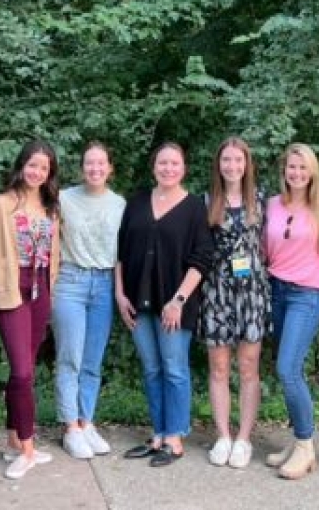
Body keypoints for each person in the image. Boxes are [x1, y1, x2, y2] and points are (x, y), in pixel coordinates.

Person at [116, 142, 213, 467]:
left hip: (175, 303)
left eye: (174, 163)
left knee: (174, 370)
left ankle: (175, 437)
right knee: (152, 369)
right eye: (162, 163)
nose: (168, 168)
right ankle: (157, 433)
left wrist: (179, 300)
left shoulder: (194, 208)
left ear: (183, 168)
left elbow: (202, 259)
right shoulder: (138, 202)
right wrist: (120, 294)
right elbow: (120, 252)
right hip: (137, 302)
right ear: (153, 166)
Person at [264, 143, 319, 480]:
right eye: (291, 167)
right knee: (290, 369)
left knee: (287, 368)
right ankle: (297, 441)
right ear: (284, 171)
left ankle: (306, 447)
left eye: (302, 167)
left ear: (312, 171)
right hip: (275, 291)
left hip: (307, 295)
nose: (296, 173)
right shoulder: (272, 205)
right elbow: (265, 250)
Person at [0, 139, 60, 480]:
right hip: (11, 291)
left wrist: (51, 290)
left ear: (49, 174)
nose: (37, 172)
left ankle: (13, 440)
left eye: (44, 168)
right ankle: (28, 451)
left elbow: (53, 256)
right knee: (21, 371)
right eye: (32, 165)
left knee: (26, 368)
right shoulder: (0, 205)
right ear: (21, 165)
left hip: (40, 291)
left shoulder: (50, 208)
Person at [198, 137, 271, 468]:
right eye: (226, 160)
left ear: (247, 164)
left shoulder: (262, 200)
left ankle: (243, 438)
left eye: (238, 160)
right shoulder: (206, 201)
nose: (232, 166)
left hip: (252, 294)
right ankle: (223, 435)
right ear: (219, 164)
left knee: (248, 368)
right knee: (218, 368)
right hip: (217, 293)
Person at [52, 141, 125, 459]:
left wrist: (120, 291)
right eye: (89, 164)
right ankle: (70, 428)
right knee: (71, 358)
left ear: (110, 168)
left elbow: (121, 255)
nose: (95, 169)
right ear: (82, 168)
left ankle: (86, 421)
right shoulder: (63, 199)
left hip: (104, 284)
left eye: (101, 164)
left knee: (93, 362)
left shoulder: (119, 204)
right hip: (70, 281)